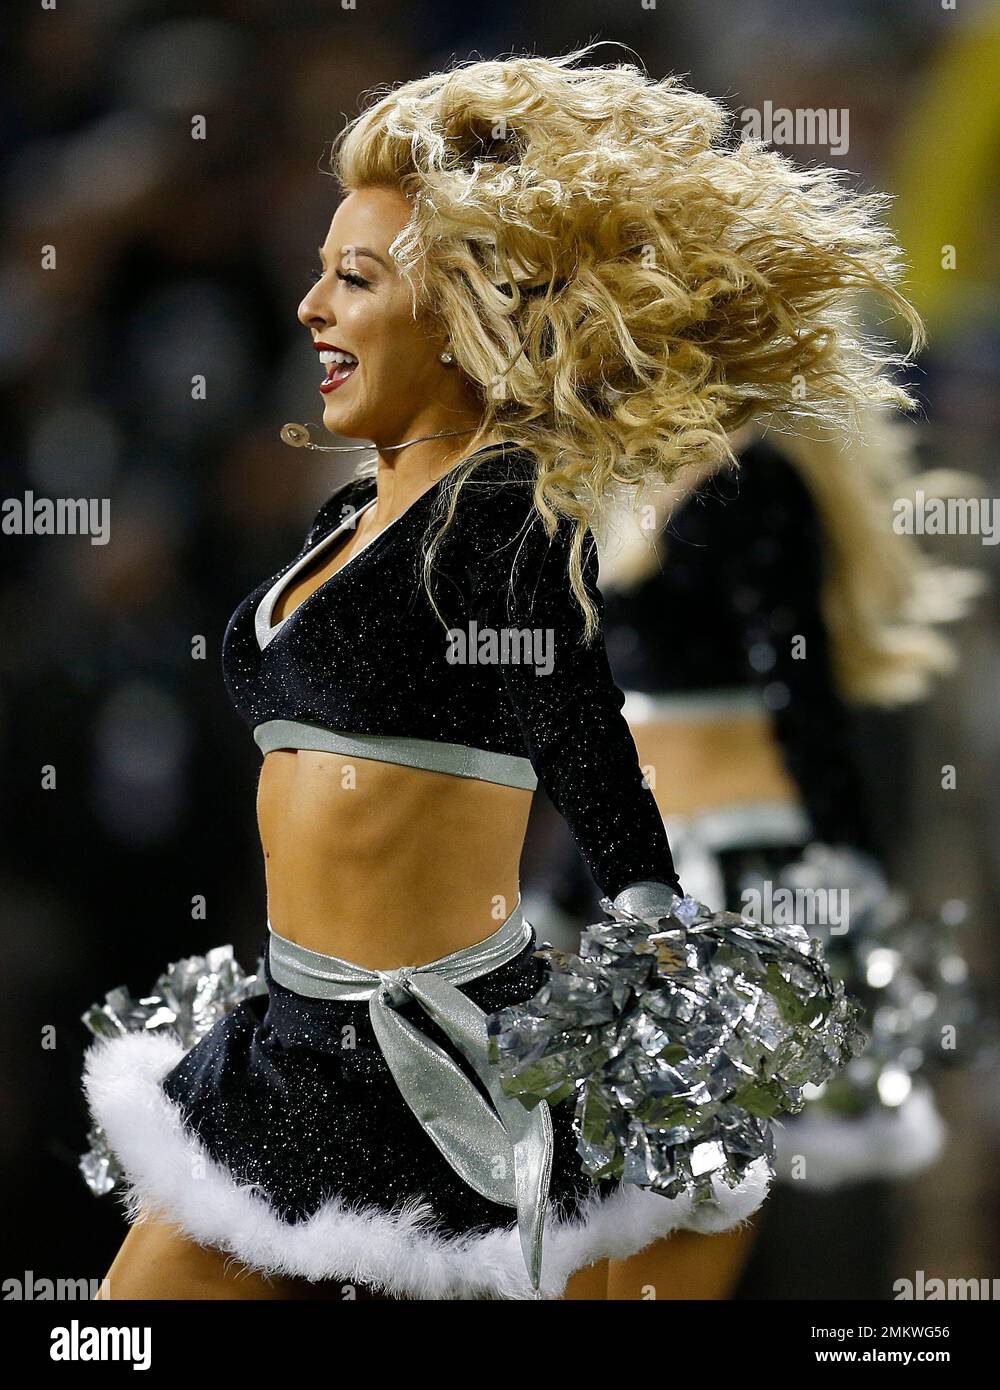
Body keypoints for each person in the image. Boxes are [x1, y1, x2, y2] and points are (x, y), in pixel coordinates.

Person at [80, 45, 922, 1300]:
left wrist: (653, 928)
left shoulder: (503, 519)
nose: (310, 307)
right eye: (313, 272)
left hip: (430, 1063)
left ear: (457, 311)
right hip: (286, 1042)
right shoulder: (340, 519)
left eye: (352, 279)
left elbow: (581, 728)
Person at [528, 411, 980, 1298]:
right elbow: (604, 743)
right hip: (631, 877)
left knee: (707, 1167)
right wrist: (561, 882)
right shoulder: (613, 479)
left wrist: (844, 859)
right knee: (603, 1169)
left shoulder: (756, 481)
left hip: (738, 884)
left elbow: (800, 690)